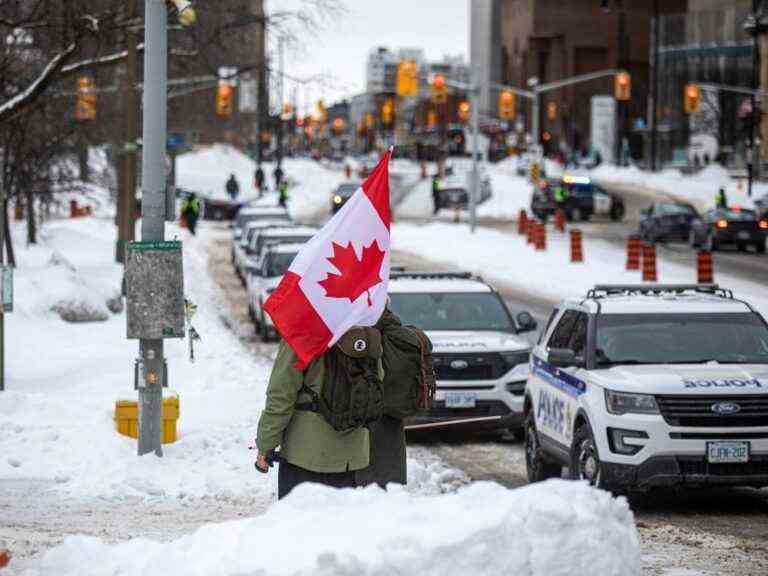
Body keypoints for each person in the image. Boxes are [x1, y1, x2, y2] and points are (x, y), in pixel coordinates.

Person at [255, 328, 382, 499]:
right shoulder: (366, 334)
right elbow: (377, 381)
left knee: (299, 522)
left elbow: (281, 396)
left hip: (303, 456)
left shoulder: (302, 332)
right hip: (350, 458)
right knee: (340, 523)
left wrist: (266, 445)